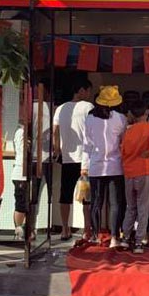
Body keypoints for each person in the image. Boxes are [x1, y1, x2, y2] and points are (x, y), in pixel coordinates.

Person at [81, 86, 127, 248]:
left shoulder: (90, 119)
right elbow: (123, 142)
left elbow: (86, 145)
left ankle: (95, 236)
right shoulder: (121, 119)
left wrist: (84, 165)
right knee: (115, 203)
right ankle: (114, 237)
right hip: (116, 166)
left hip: (96, 166)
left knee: (96, 202)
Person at [52, 77, 94, 240]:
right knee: (86, 196)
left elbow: (55, 131)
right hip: (85, 158)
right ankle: (87, 230)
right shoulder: (88, 107)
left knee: (65, 195)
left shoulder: (60, 108)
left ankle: (65, 229)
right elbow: (93, 130)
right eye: (88, 91)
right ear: (82, 90)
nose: (89, 95)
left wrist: (57, 149)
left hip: (67, 158)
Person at [120, 100, 149, 254]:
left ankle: (125, 238)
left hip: (128, 171)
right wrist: (148, 153)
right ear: (146, 112)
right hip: (143, 170)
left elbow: (122, 151)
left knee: (130, 207)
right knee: (143, 207)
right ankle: (138, 242)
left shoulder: (128, 131)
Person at [12, 89, 51, 241]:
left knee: (28, 202)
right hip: (21, 172)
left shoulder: (24, 133)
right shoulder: (22, 133)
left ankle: (27, 230)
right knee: (21, 204)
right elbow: (23, 153)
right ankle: (18, 231)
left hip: (27, 170)